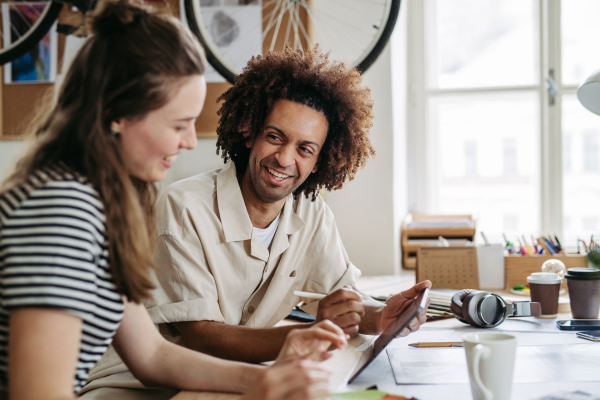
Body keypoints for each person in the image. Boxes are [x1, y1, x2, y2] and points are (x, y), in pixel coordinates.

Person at [0, 2, 348, 400]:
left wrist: (263, 381)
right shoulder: (61, 211)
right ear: (118, 114)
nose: (187, 141)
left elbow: (151, 354)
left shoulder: (102, 203)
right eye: (179, 124)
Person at [83, 46, 431, 395]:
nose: (284, 159)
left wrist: (382, 316)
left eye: (304, 149)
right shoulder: (185, 206)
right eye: (275, 137)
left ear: (319, 161)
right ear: (249, 133)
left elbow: (344, 300)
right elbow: (202, 337)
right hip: (135, 386)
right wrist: (302, 335)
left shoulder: (310, 212)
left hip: (223, 381)